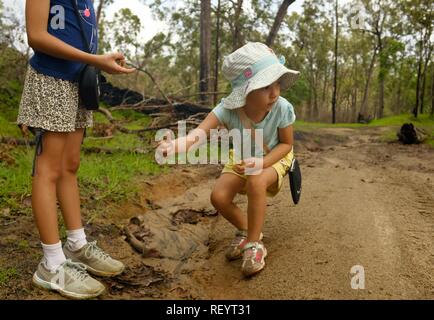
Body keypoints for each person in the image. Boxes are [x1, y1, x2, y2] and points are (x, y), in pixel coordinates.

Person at [18, 0, 135, 299]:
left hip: (77, 84)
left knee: (70, 165)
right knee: (48, 169)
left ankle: (77, 244)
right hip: (52, 80)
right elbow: (37, 36)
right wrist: (97, 60)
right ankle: (52, 263)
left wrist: (97, 62)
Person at [158, 42, 300, 277]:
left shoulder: (282, 108)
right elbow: (196, 136)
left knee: (255, 180)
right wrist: (173, 145)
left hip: (274, 157)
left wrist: (263, 163)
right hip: (243, 156)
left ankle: (255, 244)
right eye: (266, 86)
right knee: (219, 197)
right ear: (245, 90)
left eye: (277, 83)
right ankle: (246, 230)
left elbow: (287, 144)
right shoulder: (226, 110)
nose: (275, 92)